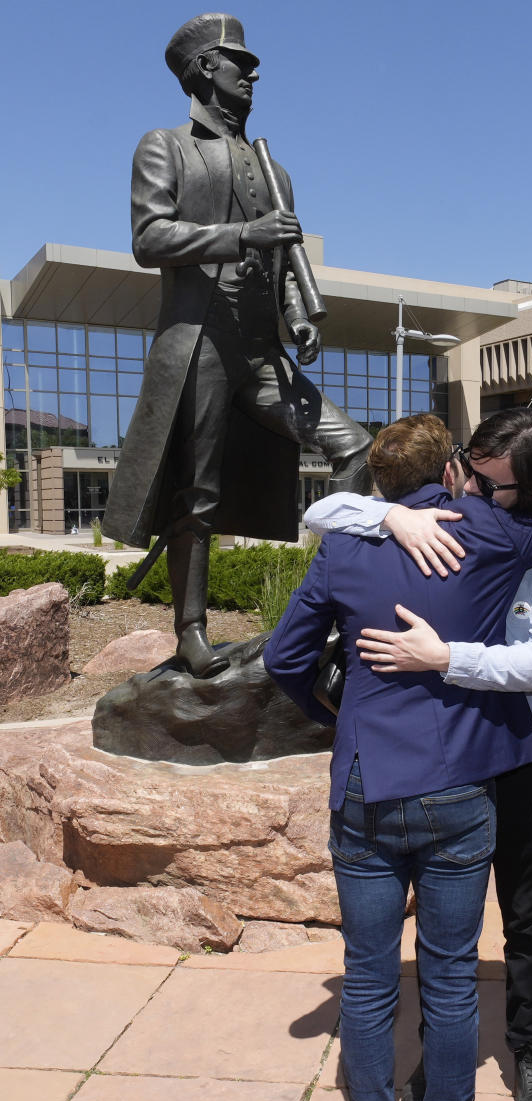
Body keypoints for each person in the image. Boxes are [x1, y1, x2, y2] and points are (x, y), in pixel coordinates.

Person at [264, 413, 532, 1101]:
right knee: (453, 980)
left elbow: (283, 656)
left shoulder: (350, 546)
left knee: (367, 978)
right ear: (452, 468)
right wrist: (398, 513)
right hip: (460, 784)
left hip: (368, 784)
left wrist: (335, 715)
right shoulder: (491, 534)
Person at [102, 13, 371, 680]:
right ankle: (190, 633)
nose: (251, 73)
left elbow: (279, 264)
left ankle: (330, 608)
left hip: (259, 355)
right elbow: (149, 238)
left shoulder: (272, 167)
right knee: (197, 493)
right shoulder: (165, 145)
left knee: (355, 447)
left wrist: (295, 317)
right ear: (201, 71)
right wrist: (240, 236)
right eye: (236, 62)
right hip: (199, 345)